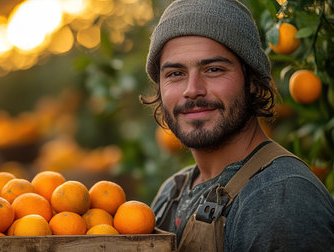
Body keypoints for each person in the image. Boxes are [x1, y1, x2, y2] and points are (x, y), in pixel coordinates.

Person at [142, 0, 334, 251]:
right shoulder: (172, 192)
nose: (192, 90)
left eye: (213, 69)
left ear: (252, 81)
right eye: (175, 73)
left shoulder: (281, 198)